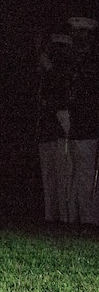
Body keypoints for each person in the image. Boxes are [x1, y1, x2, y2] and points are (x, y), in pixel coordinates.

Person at [65, 16, 99, 225]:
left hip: (89, 123)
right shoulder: (67, 60)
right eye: (76, 33)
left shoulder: (92, 60)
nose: (80, 37)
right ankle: (85, 219)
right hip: (82, 124)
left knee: (87, 175)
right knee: (82, 175)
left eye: (83, 33)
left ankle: (90, 219)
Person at [36, 32, 73, 223]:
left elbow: (60, 98)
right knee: (50, 178)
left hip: (61, 127)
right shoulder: (46, 72)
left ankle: (66, 218)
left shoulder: (62, 72)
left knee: (63, 176)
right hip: (48, 131)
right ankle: (52, 217)